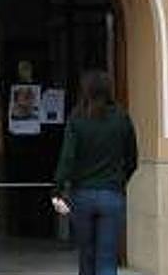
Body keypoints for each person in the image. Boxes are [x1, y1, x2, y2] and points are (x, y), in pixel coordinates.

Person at [52, 70, 139, 275]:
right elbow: (133, 158)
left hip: (82, 194)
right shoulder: (121, 117)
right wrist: (120, 180)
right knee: (108, 259)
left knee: (86, 257)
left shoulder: (77, 117)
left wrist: (57, 187)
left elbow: (67, 158)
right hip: (112, 194)